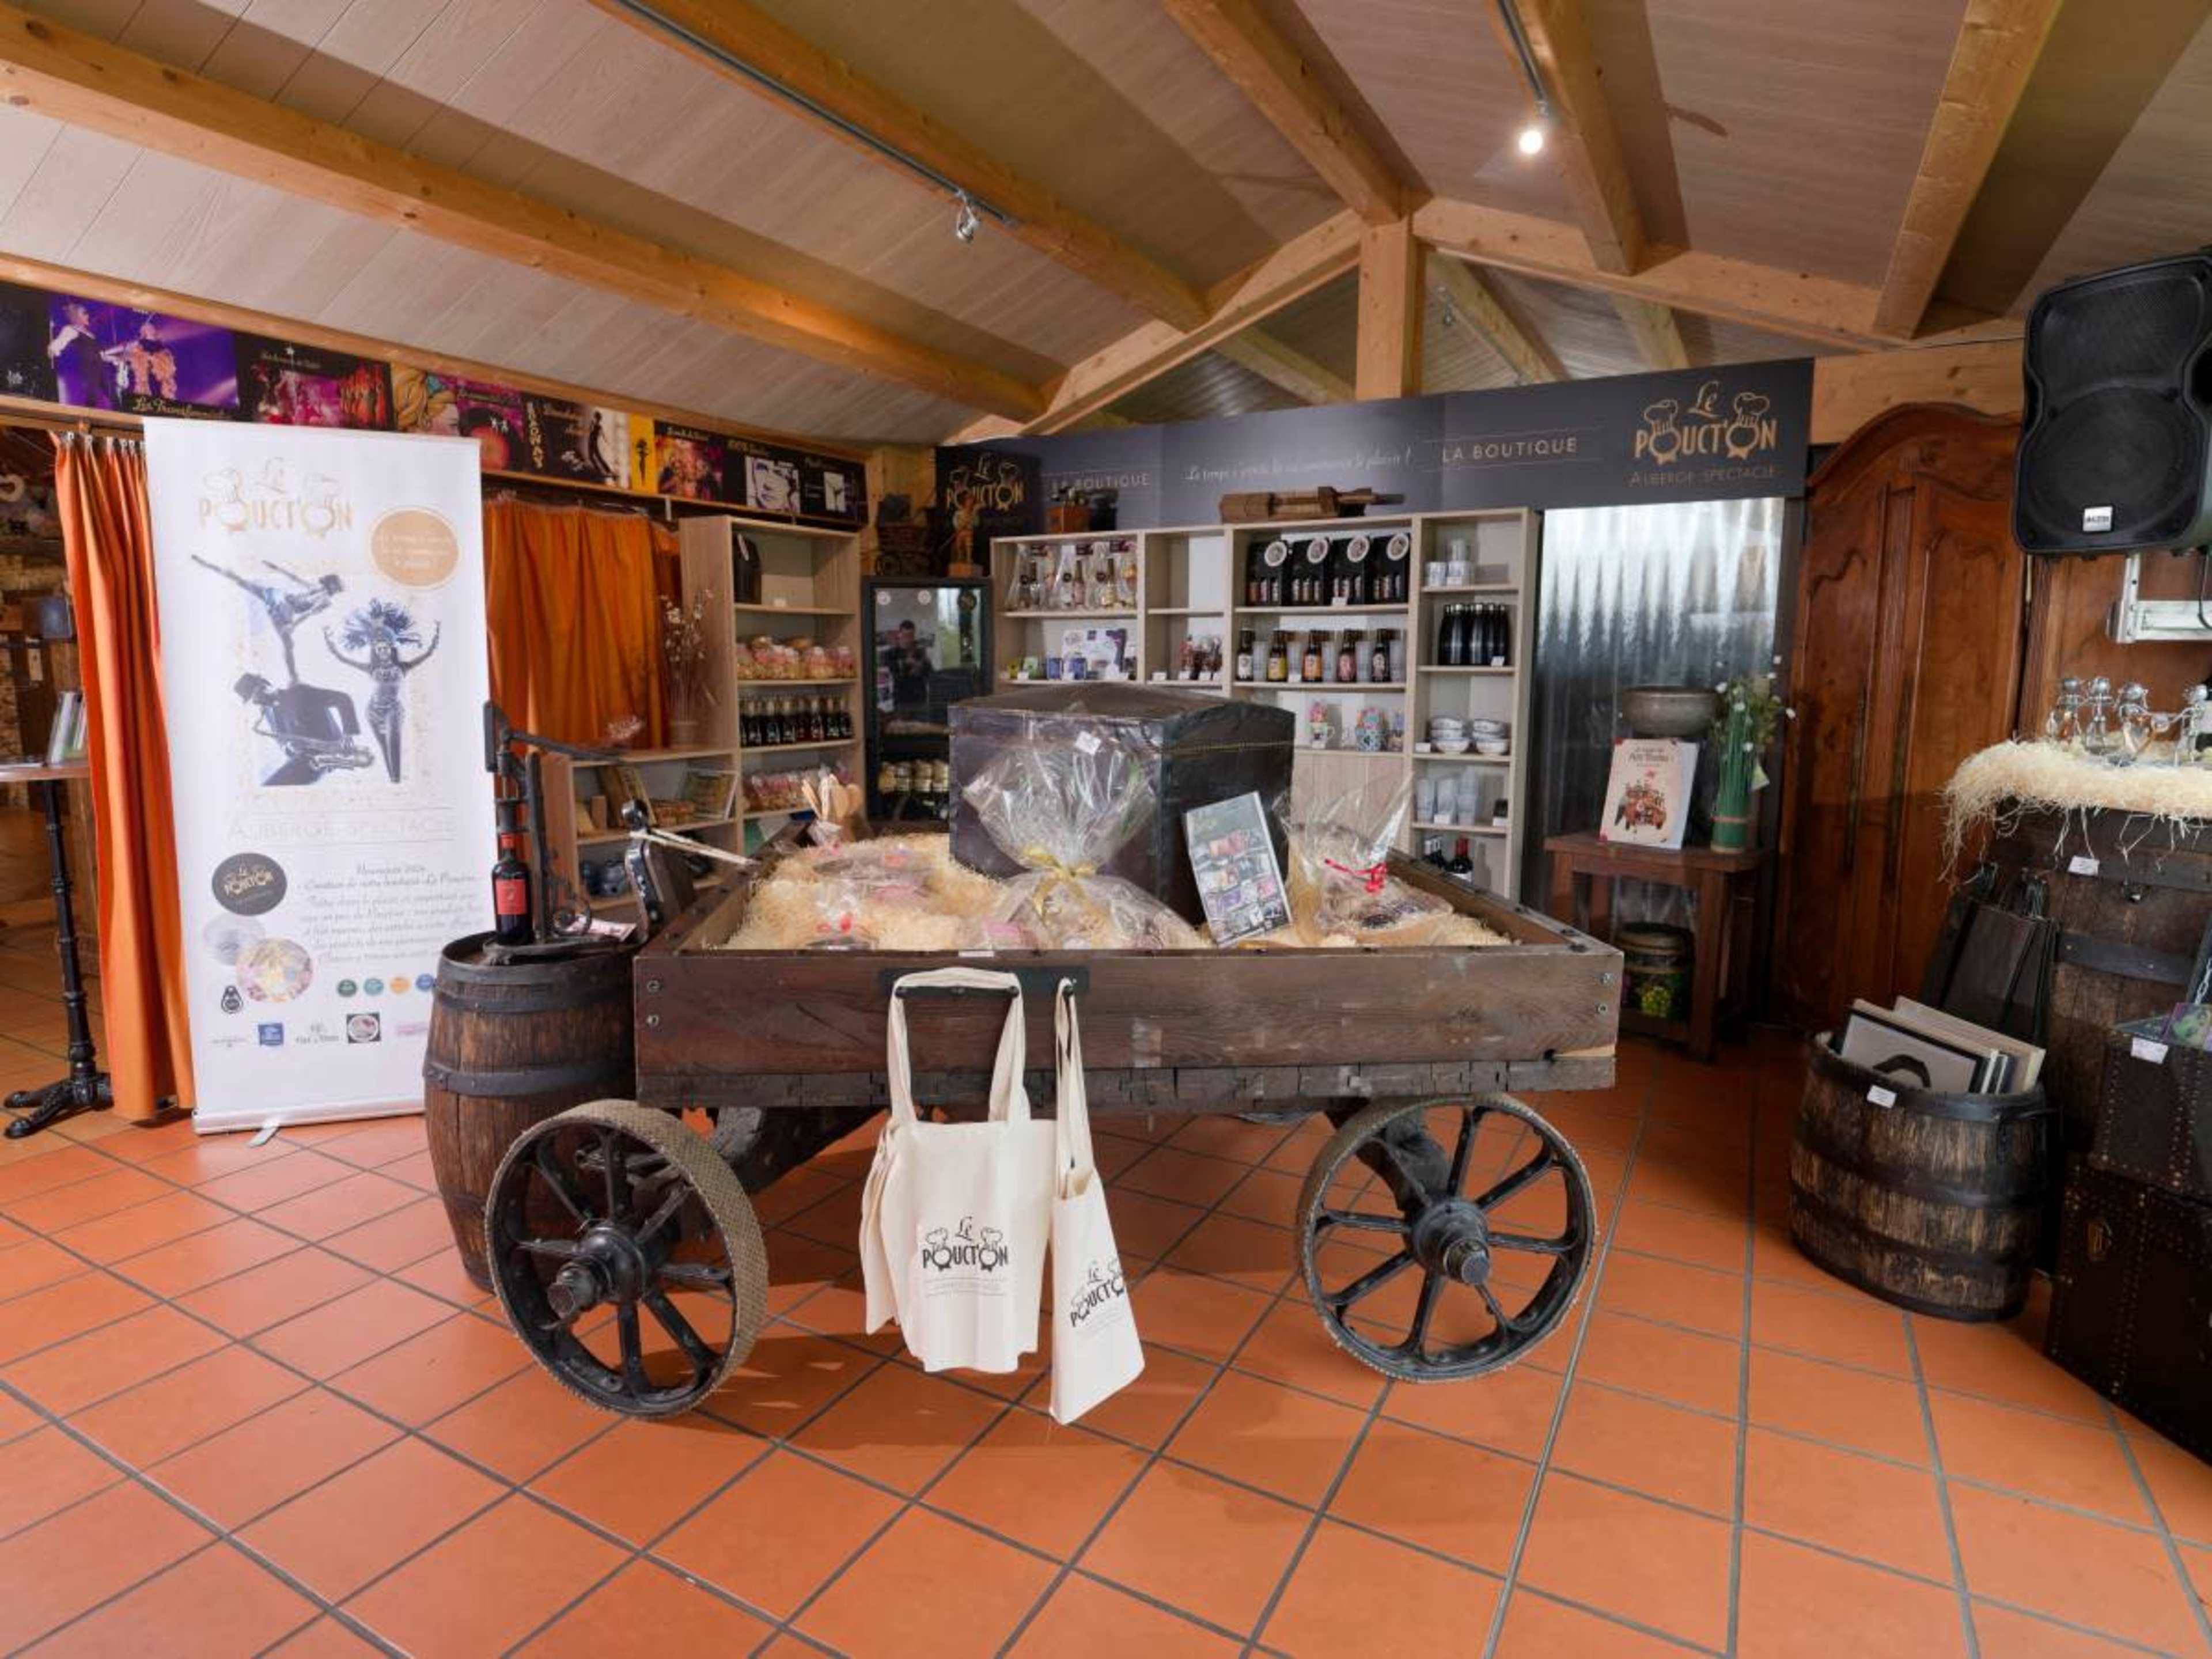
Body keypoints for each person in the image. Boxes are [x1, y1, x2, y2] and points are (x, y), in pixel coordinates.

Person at [324, 600, 441, 783]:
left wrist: (436, 638)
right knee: (383, 746)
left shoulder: (403, 667)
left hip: (393, 709)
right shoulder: (371, 668)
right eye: (379, 649)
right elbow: (343, 659)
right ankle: (393, 781)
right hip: (373, 711)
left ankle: (397, 779)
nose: (382, 651)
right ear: (376, 652)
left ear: (391, 649)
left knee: (394, 740)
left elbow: (426, 655)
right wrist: (330, 644)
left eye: (385, 648)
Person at [194, 556, 342, 682]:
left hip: (284, 608)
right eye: (336, 586)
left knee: (288, 644)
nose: (336, 589)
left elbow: (308, 613)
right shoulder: (314, 588)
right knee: (244, 583)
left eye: (337, 587)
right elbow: (294, 578)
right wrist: (277, 568)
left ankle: (294, 677)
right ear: (330, 583)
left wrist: (293, 626)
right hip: (282, 601)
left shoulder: (325, 601)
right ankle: (210, 566)